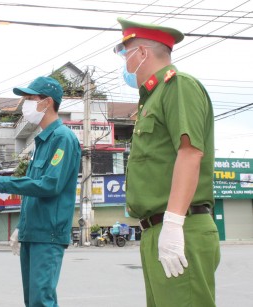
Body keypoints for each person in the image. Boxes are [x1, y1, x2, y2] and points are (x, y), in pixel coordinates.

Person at [115, 18, 220, 306]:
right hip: (157, 230)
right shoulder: (151, 98)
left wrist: (173, 225)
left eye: (126, 54)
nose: (124, 63)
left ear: (142, 53)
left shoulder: (179, 86)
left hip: (180, 227)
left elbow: (190, 152)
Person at [0, 76, 81, 307]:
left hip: (48, 233)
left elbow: (49, 185)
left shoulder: (63, 139)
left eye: (29, 99)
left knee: (40, 300)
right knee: (32, 301)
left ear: (46, 102)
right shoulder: (42, 141)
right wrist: (21, 228)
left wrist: (1, 183)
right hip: (34, 232)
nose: (25, 104)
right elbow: (33, 187)